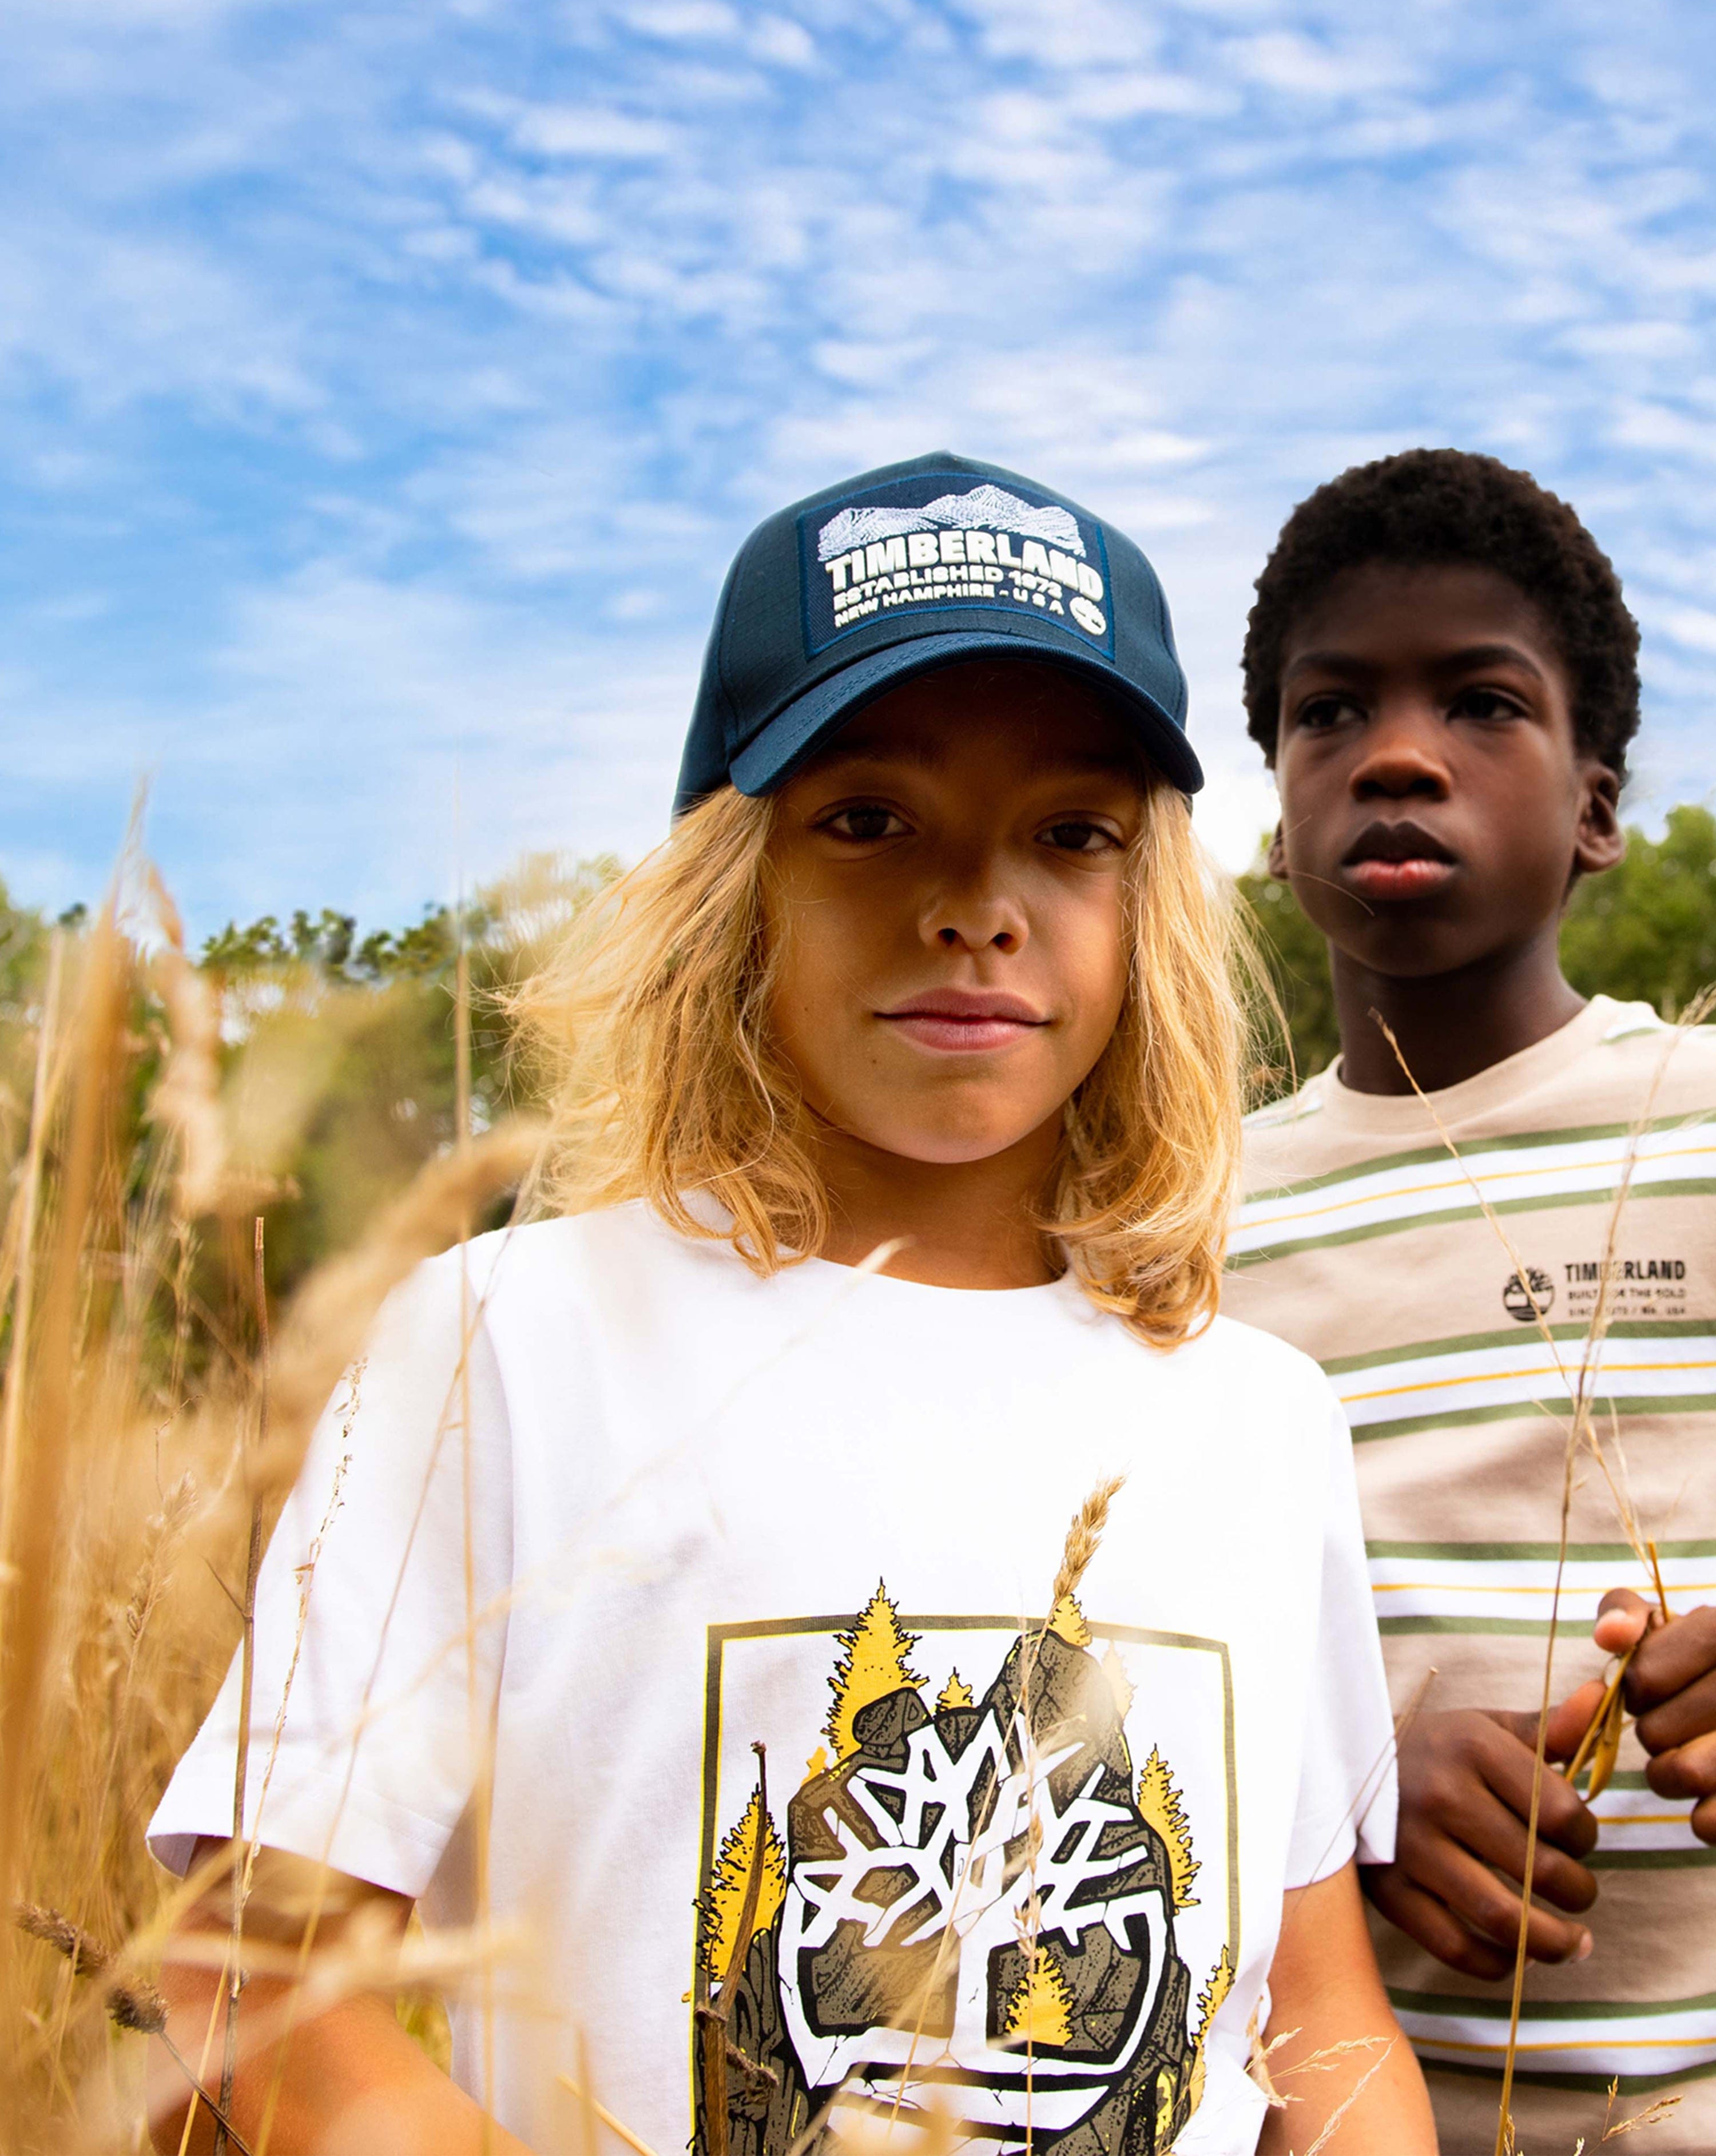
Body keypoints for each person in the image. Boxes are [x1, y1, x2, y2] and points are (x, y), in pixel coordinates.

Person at [149, 450, 1433, 2156]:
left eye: (1071, 835)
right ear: (730, 886)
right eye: (868, 819)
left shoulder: (1259, 1414)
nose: (977, 904)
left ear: (1151, 910)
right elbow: (254, 1970)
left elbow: (1318, 2013)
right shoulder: (510, 1344)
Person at [1224, 447, 1716, 2154]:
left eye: (1484, 706)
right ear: (1277, 803)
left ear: (1595, 808)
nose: (1399, 756)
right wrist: (1358, 1789)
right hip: (1362, 2109)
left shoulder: (1706, 1121)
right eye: (1329, 713)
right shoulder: (1180, 1229)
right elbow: (1143, 1655)